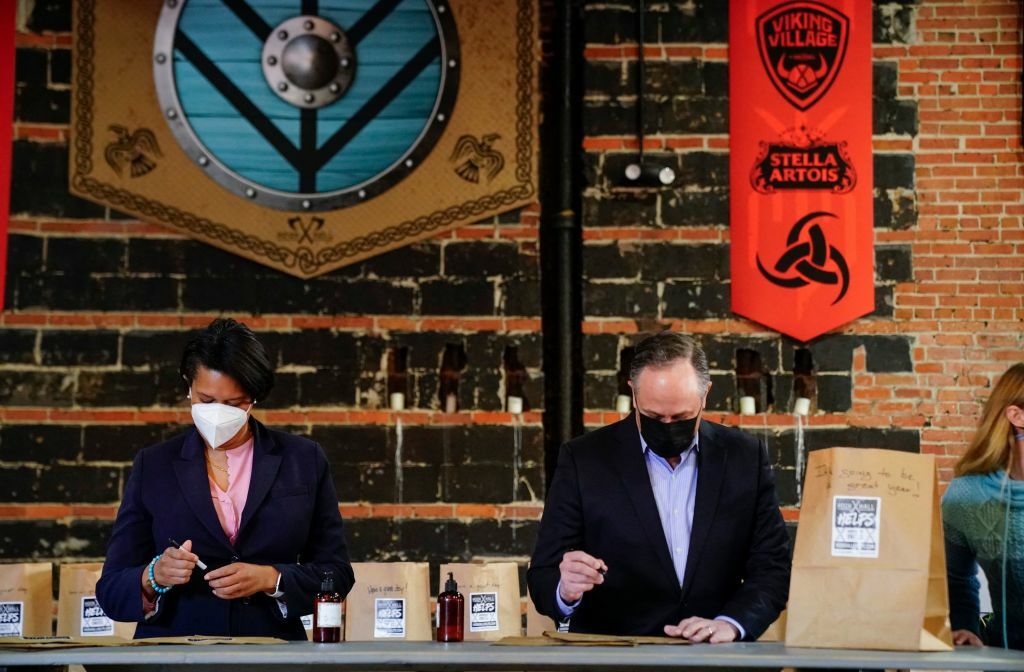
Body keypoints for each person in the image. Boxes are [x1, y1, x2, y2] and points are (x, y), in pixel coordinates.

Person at [97, 318, 354, 638]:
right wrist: (154, 576)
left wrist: (272, 579)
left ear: (254, 397)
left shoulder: (303, 459)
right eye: (206, 400)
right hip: (174, 649)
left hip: (272, 648)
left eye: (234, 403)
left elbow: (337, 574)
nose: (218, 413)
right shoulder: (154, 465)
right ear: (188, 385)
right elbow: (110, 589)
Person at [528, 331, 790, 642]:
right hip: (614, 655)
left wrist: (731, 624)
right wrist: (565, 589)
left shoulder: (744, 457)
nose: (667, 426)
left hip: (714, 654)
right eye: (653, 416)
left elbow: (772, 568)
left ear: (705, 394)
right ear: (633, 393)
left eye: (681, 417)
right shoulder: (584, 459)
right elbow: (543, 574)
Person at [942, 362, 1024, 650]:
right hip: (1006, 659)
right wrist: (965, 627)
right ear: (1017, 415)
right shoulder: (966, 495)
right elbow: (955, 579)